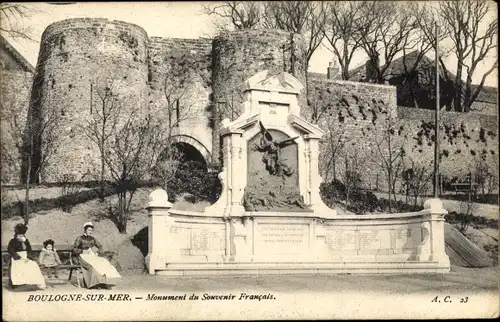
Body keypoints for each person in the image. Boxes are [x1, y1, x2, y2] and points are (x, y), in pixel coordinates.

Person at [72, 222, 121, 289]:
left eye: (91, 230)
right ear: (85, 230)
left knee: (103, 262)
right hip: (82, 256)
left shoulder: (93, 238)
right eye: (88, 230)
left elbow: (100, 246)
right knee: (92, 266)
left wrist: (97, 252)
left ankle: (102, 283)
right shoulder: (80, 238)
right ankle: (93, 284)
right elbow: (74, 249)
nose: (90, 232)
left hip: (91, 256)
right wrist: (82, 251)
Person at [7, 223, 46, 290]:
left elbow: (29, 250)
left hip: (26, 257)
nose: (21, 236)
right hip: (17, 258)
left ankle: (37, 282)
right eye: (19, 235)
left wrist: (29, 257)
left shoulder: (26, 241)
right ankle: (17, 283)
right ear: (16, 235)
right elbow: (11, 250)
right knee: (19, 267)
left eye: (22, 235)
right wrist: (19, 257)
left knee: (34, 265)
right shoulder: (13, 241)